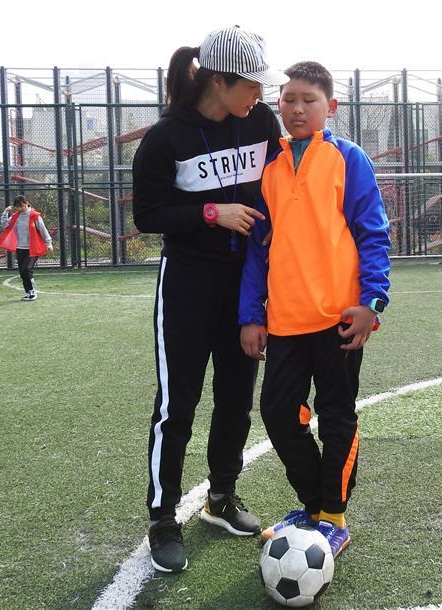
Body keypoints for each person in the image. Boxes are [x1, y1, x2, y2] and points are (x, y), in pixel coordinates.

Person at [131, 26, 289, 573]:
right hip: (188, 283)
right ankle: (162, 518)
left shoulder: (262, 122)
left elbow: (282, 184)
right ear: (219, 81)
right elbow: (147, 216)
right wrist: (209, 212)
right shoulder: (166, 138)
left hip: (243, 284)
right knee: (177, 405)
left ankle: (221, 496)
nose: (261, 95)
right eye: (251, 84)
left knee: (236, 396)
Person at [239, 61, 391, 558]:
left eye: (308, 99)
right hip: (284, 320)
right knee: (279, 414)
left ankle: (334, 516)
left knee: (336, 415)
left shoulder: (349, 159)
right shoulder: (270, 167)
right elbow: (259, 250)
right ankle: (312, 506)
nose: (297, 108)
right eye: (288, 99)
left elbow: (372, 234)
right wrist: (252, 315)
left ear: (331, 106)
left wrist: (371, 302)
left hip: (339, 320)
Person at [0, 195, 53, 300]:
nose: (20, 209)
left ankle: (33, 292)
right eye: (17, 207)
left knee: (26, 269)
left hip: (33, 249)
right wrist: (5, 213)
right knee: (22, 272)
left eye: (21, 206)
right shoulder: (16, 216)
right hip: (20, 248)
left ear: (27, 203)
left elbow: (43, 229)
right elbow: (5, 225)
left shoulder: (35, 216)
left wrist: (48, 243)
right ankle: (29, 292)